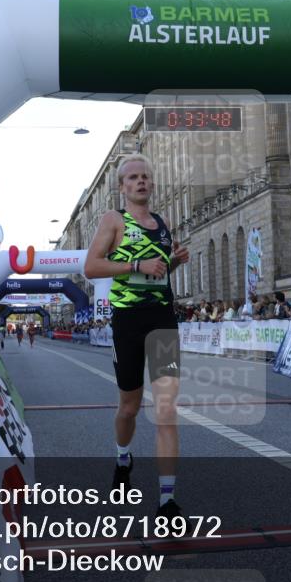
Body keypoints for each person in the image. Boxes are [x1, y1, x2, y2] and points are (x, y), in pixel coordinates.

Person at [84, 153, 190, 520]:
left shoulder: (163, 223)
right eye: (132, 177)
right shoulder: (113, 220)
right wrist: (136, 264)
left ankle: (167, 501)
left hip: (162, 320)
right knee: (129, 406)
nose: (140, 181)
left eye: (145, 176)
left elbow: (157, 271)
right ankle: (122, 457)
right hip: (127, 321)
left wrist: (174, 261)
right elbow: (91, 266)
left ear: (152, 183)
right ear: (122, 187)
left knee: (166, 409)